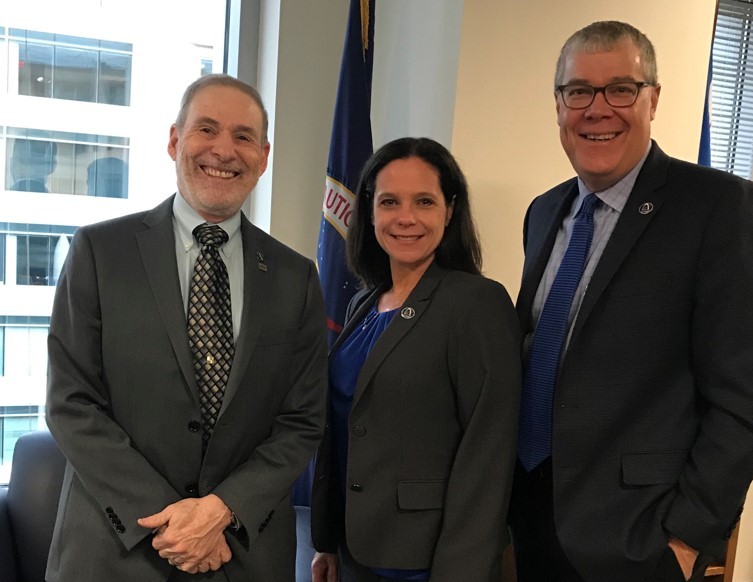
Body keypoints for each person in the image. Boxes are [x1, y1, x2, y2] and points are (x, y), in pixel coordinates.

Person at [45, 74, 328, 581]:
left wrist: (220, 510)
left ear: (263, 156)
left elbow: (302, 420)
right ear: (175, 140)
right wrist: (174, 521)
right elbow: (71, 402)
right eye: (207, 129)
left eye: (243, 137)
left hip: (242, 551)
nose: (224, 150)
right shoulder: (99, 252)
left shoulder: (296, 277)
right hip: (116, 551)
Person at [511, 21, 753, 582]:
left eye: (620, 88)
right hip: (529, 515)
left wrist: (688, 538)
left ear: (653, 99)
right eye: (578, 91)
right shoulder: (543, 212)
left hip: (638, 539)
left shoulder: (718, 208)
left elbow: (741, 398)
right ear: (558, 105)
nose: (598, 109)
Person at [310, 137, 521, 582]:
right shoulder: (363, 305)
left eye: (424, 201)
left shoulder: (476, 303)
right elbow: (345, 429)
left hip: (425, 560)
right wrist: (327, 540)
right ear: (370, 211)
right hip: (355, 548)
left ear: (450, 210)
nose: (406, 217)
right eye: (389, 201)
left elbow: (488, 456)